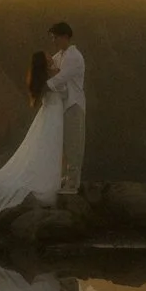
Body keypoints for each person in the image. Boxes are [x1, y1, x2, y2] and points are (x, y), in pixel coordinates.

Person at [0, 48, 66, 214]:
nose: (51, 56)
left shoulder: (44, 77)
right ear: (44, 63)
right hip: (54, 115)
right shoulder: (52, 76)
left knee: (49, 147)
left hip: (51, 114)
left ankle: (56, 176)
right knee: (53, 146)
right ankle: (55, 178)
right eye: (47, 56)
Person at [46, 21, 86, 198]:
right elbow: (52, 69)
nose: (53, 41)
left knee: (73, 144)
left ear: (64, 37)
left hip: (74, 105)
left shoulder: (74, 57)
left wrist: (44, 87)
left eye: (55, 37)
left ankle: (72, 183)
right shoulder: (59, 55)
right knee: (63, 145)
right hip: (63, 106)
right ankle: (64, 179)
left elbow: (60, 78)